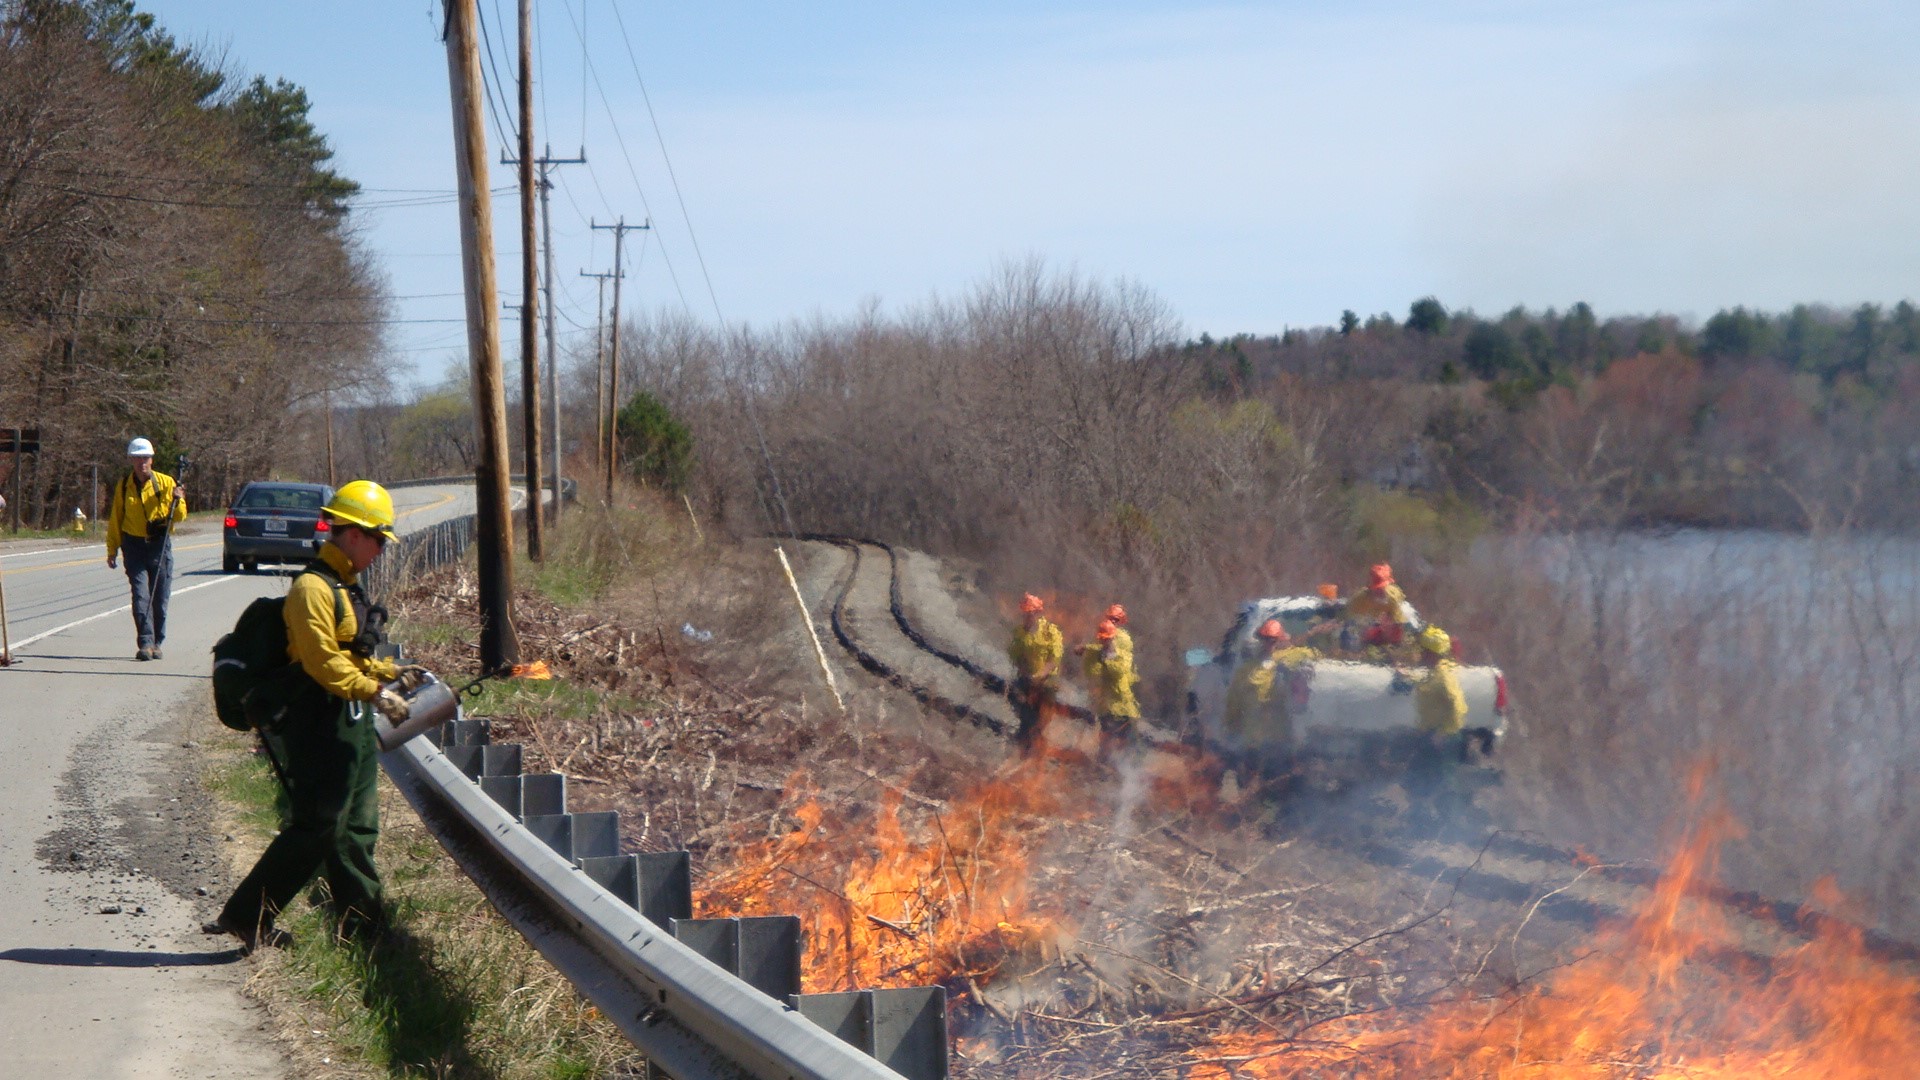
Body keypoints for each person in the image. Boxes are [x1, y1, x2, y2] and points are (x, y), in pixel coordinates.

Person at [205, 480, 419, 952]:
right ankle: (247, 915)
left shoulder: (348, 586)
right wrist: (376, 691)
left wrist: (388, 671)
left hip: (350, 719)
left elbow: (349, 653)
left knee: (357, 828)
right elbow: (322, 663)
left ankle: (362, 925)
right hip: (314, 720)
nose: (382, 549)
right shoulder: (311, 589)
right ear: (355, 533)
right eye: (379, 539)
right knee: (317, 826)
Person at [104, 437, 186, 660]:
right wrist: (112, 549)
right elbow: (116, 519)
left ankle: (158, 642)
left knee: (160, 598)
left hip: (159, 546)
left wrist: (177, 500)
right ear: (131, 460)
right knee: (141, 596)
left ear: (152, 459)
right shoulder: (124, 486)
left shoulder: (167, 483)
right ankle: (145, 642)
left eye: (146, 458)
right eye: (138, 458)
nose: (143, 463)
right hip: (134, 546)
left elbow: (180, 516)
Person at [1222, 619, 1319, 776]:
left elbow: (1314, 656)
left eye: (1273, 640)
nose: (1269, 644)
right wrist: (1231, 732)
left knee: (1276, 787)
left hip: (1279, 739)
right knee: (1250, 785)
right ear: (1261, 640)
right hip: (1252, 740)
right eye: (1266, 640)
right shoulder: (1246, 670)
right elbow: (1233, 703)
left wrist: (1304, 666)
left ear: (1281, 640)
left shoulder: (1292, 657)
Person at [1402, 625, 1469, 830]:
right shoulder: (1433, 672)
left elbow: (1458, 708)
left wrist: (1443, 734)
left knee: (1445, 781)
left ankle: (1453, 826)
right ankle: (1419, 819)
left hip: (1444, 737)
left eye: (1423, 651)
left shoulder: (1444, 677)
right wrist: (1406, 675)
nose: (1420, 654)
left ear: (1431, 654)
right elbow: (1424, 682)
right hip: (1431, 735)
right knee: (1418, 775)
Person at [1006, 593, 1063, 752]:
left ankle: (1033, 742)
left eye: (1031, 613)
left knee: (1040, 717)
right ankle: (1024, 742)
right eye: (1025, 613)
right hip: (1027, 679)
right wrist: (1025, 674)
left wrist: (1041, 675)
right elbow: (1016, 657)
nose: (1028, 616)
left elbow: (1054, 658)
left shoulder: (1051, 632)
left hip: (1047, 682)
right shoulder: (1019, 633)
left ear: (1038, 613)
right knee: (1019, 703)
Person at [1080, 618, 1141, 755]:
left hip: (1124, 708)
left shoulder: (1123, 656)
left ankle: (1124, 771)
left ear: (1113, 637)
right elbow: (1092, 673)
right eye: (1102, 639)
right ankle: (1104, 767)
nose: (1104, 642)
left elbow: (1118, 671)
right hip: (1106, 708)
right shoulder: (1097, 654)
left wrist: (1105, 661)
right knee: (1107, 742)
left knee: (1126, 744)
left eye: (1107, 639)